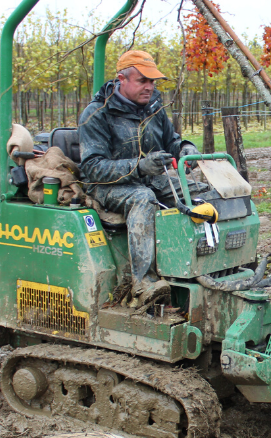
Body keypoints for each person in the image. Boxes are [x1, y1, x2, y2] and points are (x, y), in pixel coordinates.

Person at [78, 50, 201, 306]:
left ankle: (200, 265)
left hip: (149, 178)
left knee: (198, 192)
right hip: (108, 187)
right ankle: (144, 284)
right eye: (142, 81)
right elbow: (92, 168)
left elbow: (172, 141)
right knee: (143, 198)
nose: (149, 87)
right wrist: (140, 166)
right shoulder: (97, 114)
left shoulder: (154, 108)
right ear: (122, 79)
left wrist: (186, 148)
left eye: (152, 82)